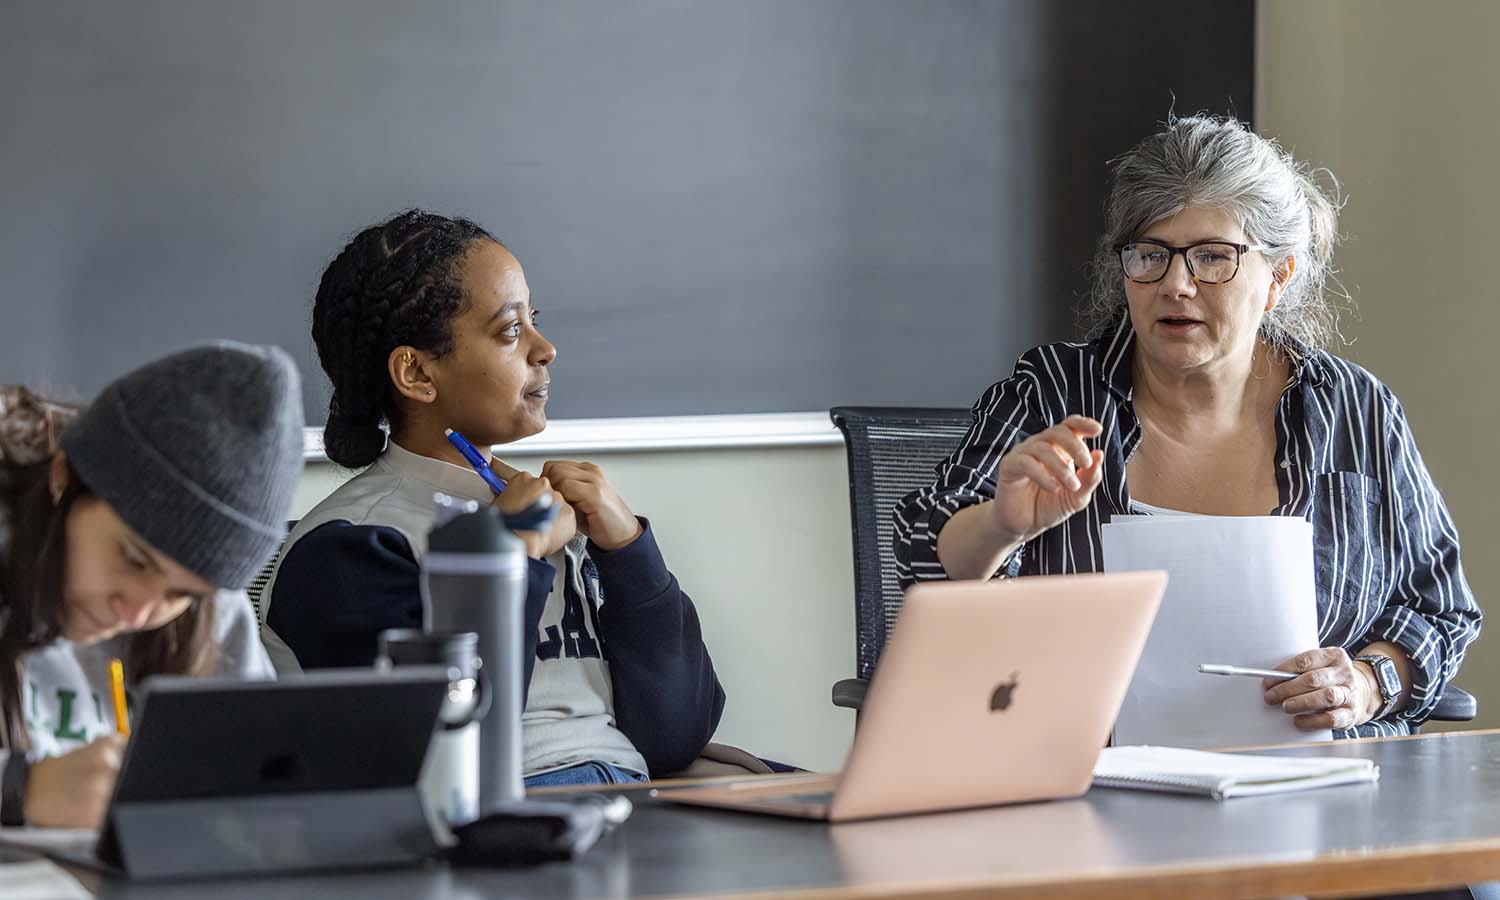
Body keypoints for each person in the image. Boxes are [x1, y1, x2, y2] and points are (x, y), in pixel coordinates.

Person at [893, 115, 1481, 740]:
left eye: (1211, 257)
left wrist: (1365, 685)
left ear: (1277, 278)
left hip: (1315, 797)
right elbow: (926, 567)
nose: (1175, 284)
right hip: (1086, 780)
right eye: (1151, 254)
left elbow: (1437, 609)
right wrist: (1002, 525)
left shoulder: (1355, 410)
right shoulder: (1052, 391)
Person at [260, 210, 724, 786]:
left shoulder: (553, 514)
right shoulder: (350, 547)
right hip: (503, 821)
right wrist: (509, 558)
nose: (545, 348)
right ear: (417, 374)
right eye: (510, 331)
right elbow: (442, 759)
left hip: (632, 798)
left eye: (535, 321)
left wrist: (630, 553)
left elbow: (676, 735)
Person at [0, 344, 304, 827]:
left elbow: (265, 783)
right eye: (133, 559)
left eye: (180, 594)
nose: (138, 612)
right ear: (64, 480)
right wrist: (20, 791)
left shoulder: (209, 608)